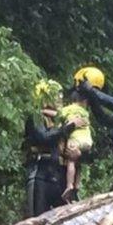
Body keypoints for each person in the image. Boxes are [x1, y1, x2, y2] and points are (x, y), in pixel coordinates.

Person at [23, 79, 84, 217]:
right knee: (36, 222)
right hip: (40, 175)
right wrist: (69, 126)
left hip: (60, 178)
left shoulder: (62, 120)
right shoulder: (36, 117)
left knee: (64, 223)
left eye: (61, 95)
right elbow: (44, 137)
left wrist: (77, 154)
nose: (60, 99)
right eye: (56, 95)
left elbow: (81, 146)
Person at [57, 89, 92, 202]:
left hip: (75, 140)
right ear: (84, 102)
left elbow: (59, 116)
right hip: (87, 140)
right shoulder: (84, 113)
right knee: (78, 163)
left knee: (72, 161)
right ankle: (76, 187)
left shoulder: (66, 111)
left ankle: (70, 185)